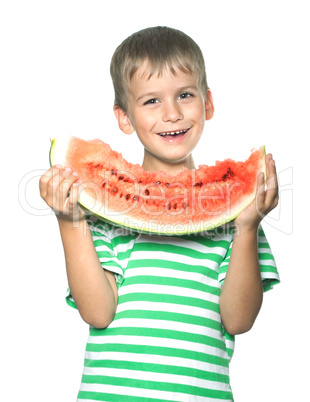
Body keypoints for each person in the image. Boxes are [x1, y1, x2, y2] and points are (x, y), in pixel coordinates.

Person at [39, 26, 280, 402]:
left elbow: (238, 320)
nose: (172, 113)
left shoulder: (236, 219)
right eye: (151, 101)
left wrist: (248, 228)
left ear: (208, 103)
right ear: (124, 117)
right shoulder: (104, 219)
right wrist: (69, 221)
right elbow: (98, 312)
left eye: (185, 95)